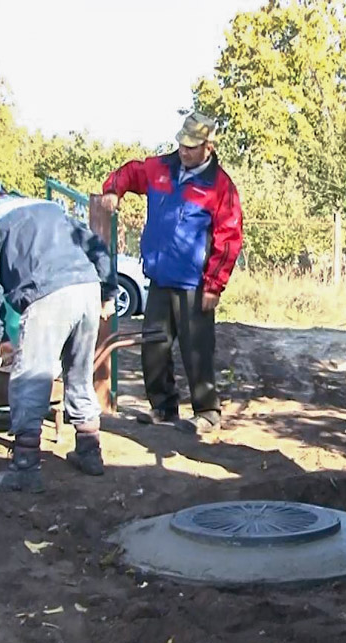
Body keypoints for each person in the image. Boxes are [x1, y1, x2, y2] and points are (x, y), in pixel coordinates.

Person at [0, 179, 118, 493]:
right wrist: (108, 292)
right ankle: (89, 452)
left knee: (31, 376)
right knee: (78, 373)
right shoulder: (47, 208)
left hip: (48, 295)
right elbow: (96, 246)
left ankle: (25, 467)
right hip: (86, 289)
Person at [99, 112, 244, 434]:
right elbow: (129, 172)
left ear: (209, 147)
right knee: (154, 345)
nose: (184, 151)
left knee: (197, 350)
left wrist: (213, 287)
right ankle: (163, 407)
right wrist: (113, 190)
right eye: (181, 144)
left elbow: (229, 238)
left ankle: (207, 412)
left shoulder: (220, 187)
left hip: (195, 285)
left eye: (191, 146)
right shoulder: (159, 169)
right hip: (160, 279)